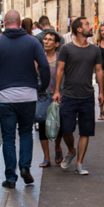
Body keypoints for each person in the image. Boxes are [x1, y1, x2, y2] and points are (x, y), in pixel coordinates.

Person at [0, 9, 50, 188]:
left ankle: (10, 177)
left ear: (4, 22)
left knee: (8, 138)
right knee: (26, 132)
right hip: (28, 96)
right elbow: (44, 66)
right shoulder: (33, 42)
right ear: (19, 23)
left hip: (5, 97)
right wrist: (42, 87)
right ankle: (25, 166)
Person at [53, 16, 104, 175]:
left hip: (87, 96)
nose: (91, 26)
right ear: (79, 29)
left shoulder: (95, 49)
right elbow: (60, 70)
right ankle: (71, 150)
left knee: (85, 131)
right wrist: (56, 91)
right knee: (66, 129)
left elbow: (99, 71)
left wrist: (102, 91)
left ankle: (79, 164)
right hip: (69, 95)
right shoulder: (66, 49)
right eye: (87, 24)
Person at [33, 29, 60, 166]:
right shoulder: (39, 58)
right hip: (43, 96)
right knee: (42, 124)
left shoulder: (60, 57)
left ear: (56, 44)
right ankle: (46, 157)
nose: (46, 41)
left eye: (50, 39)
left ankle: (57, 147)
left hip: (58, 95)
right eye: (45, 39)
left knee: (58, 125)